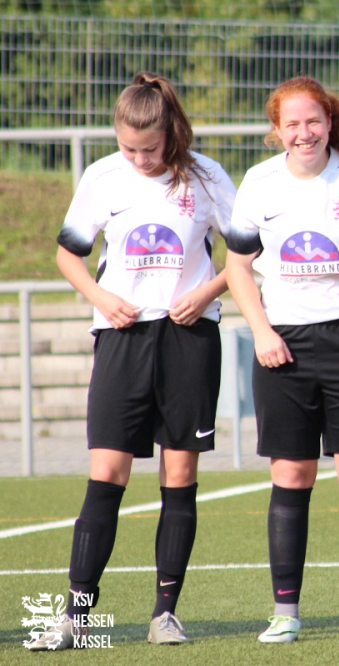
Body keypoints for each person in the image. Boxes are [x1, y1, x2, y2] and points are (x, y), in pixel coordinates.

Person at [26, 72, 237, 650]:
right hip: (120, 337)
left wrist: (206, 292)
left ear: (173, 134)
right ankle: (76, 617)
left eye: (151, 149)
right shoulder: (102, 176)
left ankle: (165, 614)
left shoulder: (206, 176)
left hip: (189, 337)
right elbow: (69, 255)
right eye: (129, 149)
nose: (141, 159)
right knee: (107, 473)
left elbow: (247, 253)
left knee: (180, 475)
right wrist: (101, 298)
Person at [225, 76, 339, 642]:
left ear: (329, 123)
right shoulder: (259, 182)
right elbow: (237, 266)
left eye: (313, 121)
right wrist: (261, 331)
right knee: (291, 475)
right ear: (276, 130)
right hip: (280, 345)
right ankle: (285, 612)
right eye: (292, 124)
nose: (303, 133)